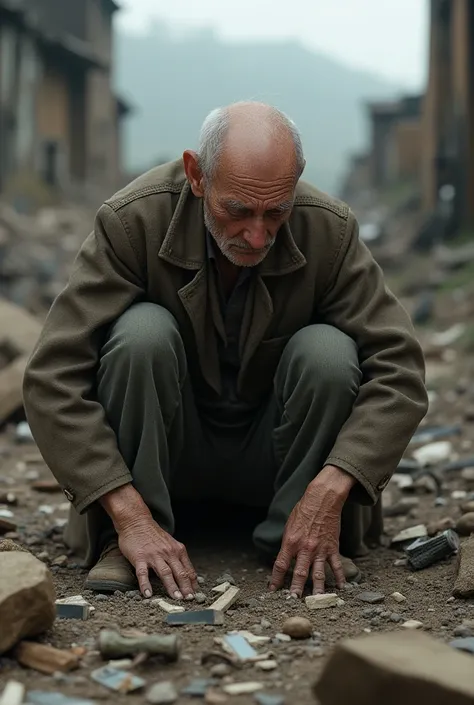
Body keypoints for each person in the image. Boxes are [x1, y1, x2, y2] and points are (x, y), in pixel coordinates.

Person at [23, 102, 428, 601]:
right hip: (170, 457)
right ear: (197, 175)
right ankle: (123, 542)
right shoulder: (133, 222)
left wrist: (334, 485)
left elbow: (400, 371)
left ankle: (300, 537)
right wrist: (126, 513)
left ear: (296, 183)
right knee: (140, 335)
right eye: (237, 211)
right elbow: (52, 377)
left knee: (328, 353)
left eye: (276, 212)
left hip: (275, 461)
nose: (258, 235)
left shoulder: (330, 230)